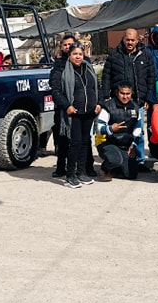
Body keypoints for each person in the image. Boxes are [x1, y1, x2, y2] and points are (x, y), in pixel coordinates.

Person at [50, 43, 101, 189]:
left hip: (89, 112)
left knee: (85, 143)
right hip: (74, 114)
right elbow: (57, 92)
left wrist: (99, 103)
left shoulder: (89, 68)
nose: (78, 57)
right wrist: (67, 106)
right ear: (69, 56)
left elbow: (97, 87)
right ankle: (70, 175)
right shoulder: (63, 71)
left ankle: (81, 172)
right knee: (75, 143)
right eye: (74, 54)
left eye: (80, 54)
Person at [95, 81, 143, 182]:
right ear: (117, 93)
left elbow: (138, 129)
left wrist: (133, 145)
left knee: (132, 174)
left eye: (127, 94)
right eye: (122, 93)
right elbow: (99, 128)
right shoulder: (108, 106)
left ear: (131, 93)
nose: (125, 97)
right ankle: (104, 169)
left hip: (125, 145)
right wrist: (111, 128)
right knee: (115, 160)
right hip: (107, 142)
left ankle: (116, 168)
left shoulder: (135, 107)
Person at [100, 28, 155, 102]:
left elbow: (151, 78)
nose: (130, 42)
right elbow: (106, 76)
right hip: (118, 100)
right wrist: (106, 95)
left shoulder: (146, 55)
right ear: (123, 39)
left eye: (132, 40)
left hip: (139, 100)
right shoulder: (114, 54)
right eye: (127, 40)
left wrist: (149, 99)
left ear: (137, 40)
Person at [50, 33, 77, 179]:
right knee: (62, 138)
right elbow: (55, 87)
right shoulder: (58, 64)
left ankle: (84, 167)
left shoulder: (82, 61)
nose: (67, 47)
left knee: (81, 138)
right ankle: (61, 167)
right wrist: (65, 105)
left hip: (79, 106)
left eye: (70, 44)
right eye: (65, 45)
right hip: (62, 108)